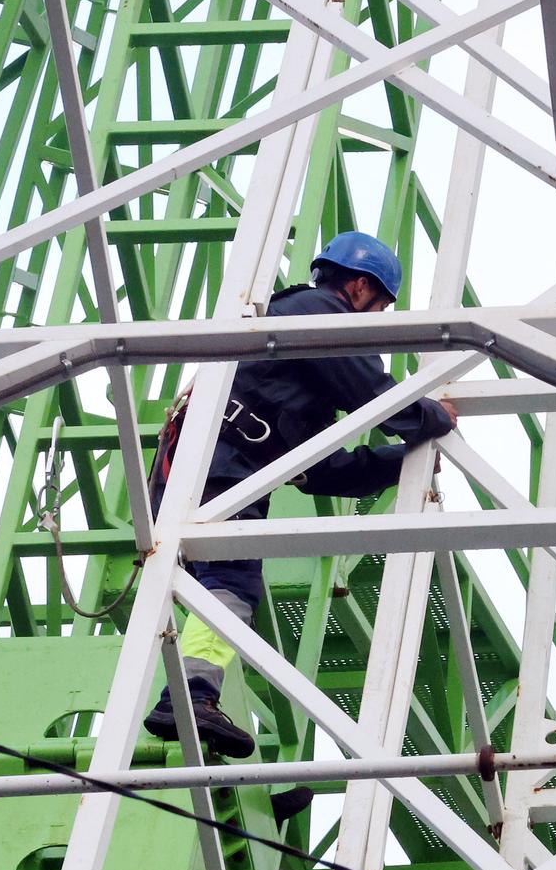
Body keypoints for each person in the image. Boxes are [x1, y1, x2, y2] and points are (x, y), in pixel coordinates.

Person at [142, 232, 459, 806]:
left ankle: (191, 697)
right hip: (217, 465)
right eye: (382, 306)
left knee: (227, 585)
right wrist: (430, 417)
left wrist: (403, 463)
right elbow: (372, 390)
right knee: (230, 581)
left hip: (216, 465)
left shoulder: (298, 374)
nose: (378, 322)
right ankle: (188, 697)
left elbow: (327, 470)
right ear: (359, 286)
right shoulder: (317, 314)